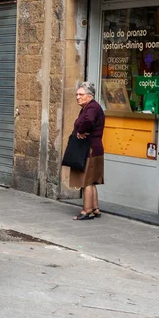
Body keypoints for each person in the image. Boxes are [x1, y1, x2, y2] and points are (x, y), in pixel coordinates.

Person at [69, 81, 105, 220]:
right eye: (77, 94)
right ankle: (95, 208)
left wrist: (81, 131)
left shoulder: (91, 109)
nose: (77, 97)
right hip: (94, 148)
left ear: (90, 96)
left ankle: (87, 211)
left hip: (90, 149)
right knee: (92, 180)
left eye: (81, 94)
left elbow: (89, 121)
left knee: (87, 181)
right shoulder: (90, 107)